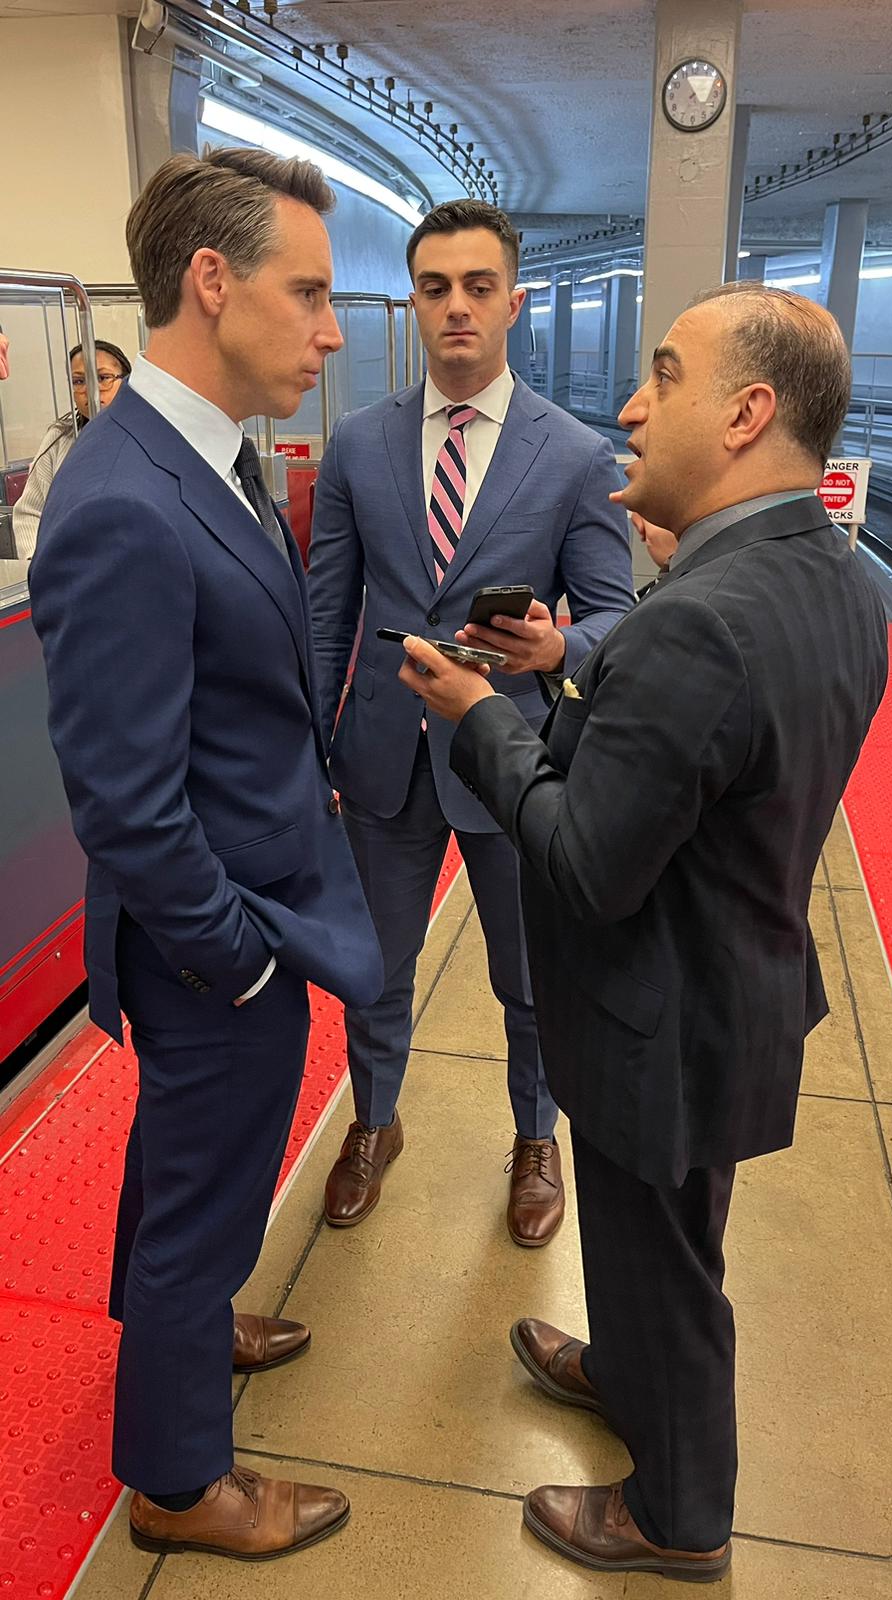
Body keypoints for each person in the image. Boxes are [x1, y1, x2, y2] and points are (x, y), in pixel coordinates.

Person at [399, 282, 889, 1582]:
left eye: (662, 376)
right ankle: (624, 1368)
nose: (630, 404)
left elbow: (584, 862)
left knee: (667, 1265)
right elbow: (708, 758)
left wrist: (478, 713)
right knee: (654, 1237)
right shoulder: (826, 578)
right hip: (733, 994)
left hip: (656, 1018)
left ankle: (679, 1516)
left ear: (745, 413)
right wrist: (570, 655)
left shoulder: (700, 622)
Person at [29, 147, 383, 1564]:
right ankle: (179, 1478)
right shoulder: (124, 499)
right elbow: (120, 795)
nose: (333, 327)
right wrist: (233, 958)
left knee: (203, 1171)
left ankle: (186, 1330)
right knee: (202, 1182)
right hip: (211, 935)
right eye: (309, 292)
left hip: (243, 907)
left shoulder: (204, 458)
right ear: (212, 280)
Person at [308, 200, 634, 1245]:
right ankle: (375, 1119)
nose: (457, 307)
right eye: (437, 287)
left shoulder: (576, 455)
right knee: (377, 964)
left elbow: (614, 616)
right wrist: (314, 742)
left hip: (512, 755)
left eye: (478, 287)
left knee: (530, 977)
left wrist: (559, 649)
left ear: (513, 302)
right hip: (383, 756)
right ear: (415, 300)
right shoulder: (357, 445)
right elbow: (328, 608)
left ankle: (536, 1138)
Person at [13, 341, 131, 558]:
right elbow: (29, 511)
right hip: (66, 571)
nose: (90, 391)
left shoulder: (143, 435)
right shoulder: (59, 437)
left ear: (125, 381)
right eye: (79, 381)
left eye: (103, 378)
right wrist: (36, 563)